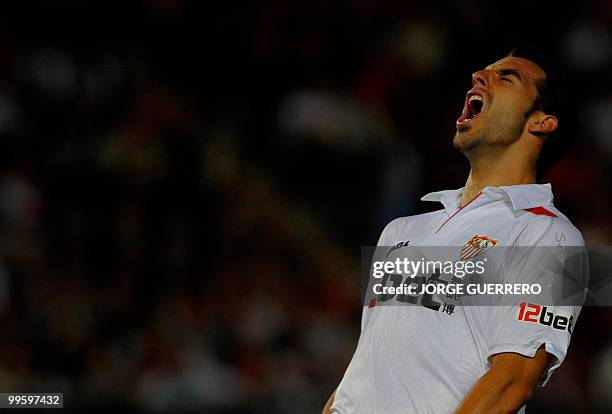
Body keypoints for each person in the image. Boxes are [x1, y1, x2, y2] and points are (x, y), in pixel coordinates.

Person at [323, 47, 588, 413]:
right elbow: (366, 368)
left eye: (506, 77)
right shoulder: (400, 230)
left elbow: (511, 382)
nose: (479, 75)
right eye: (484, 71)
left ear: (541, 122)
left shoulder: (549, 237)